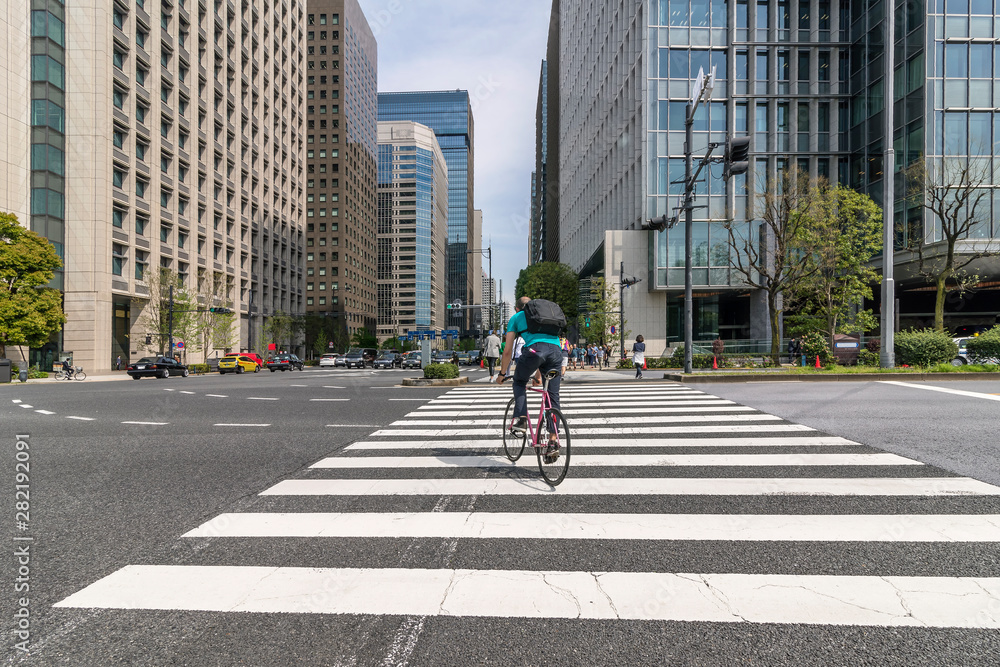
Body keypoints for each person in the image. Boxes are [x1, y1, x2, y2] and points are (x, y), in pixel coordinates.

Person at [497, 296, 563, 462]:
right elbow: (546, 350)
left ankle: (521, 419)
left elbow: (508, 351)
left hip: (534, 352)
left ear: (517, 308)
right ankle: (553, 442)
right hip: (556, 353)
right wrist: (538, 377)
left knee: (519, 381)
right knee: (552, 397)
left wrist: (502, 373)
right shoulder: (546, 315)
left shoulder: (517, 317)